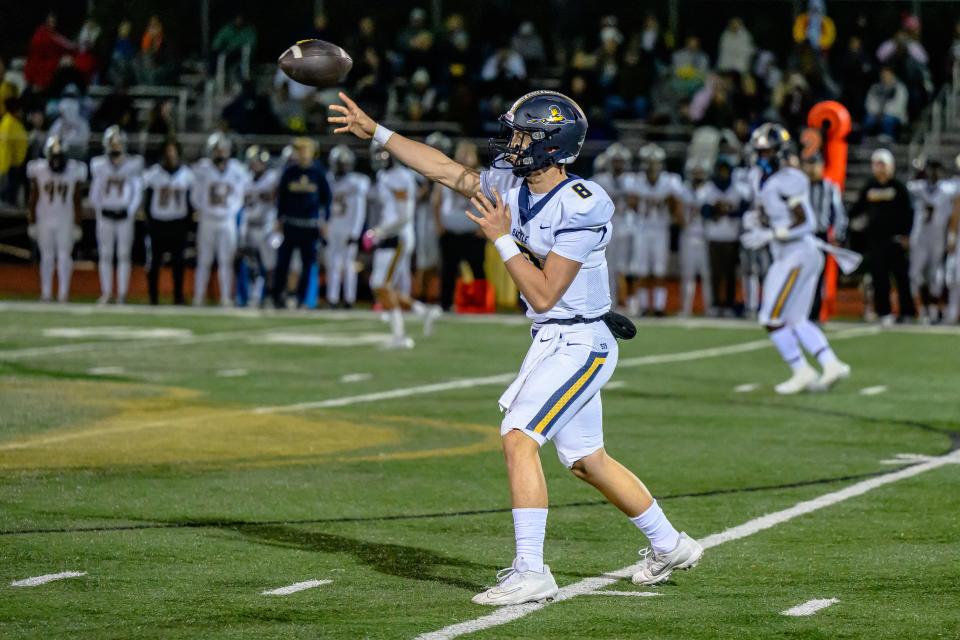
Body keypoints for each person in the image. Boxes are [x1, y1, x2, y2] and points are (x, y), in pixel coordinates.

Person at [329, 89, 703, 604]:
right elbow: (444, 171)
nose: (512, 141)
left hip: (579, 341)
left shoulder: (582, 202)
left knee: (518, 435)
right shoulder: (514, 183)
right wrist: (378, 133)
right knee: (586, 460)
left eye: (522, 133)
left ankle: (532, 571)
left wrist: (502, 238)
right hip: (559, 337)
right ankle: (670, 544)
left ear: (551, 144)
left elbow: (545, 293)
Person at [740, 123, 851, 393]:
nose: (760, 157)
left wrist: (772, 234)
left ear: (779, 152)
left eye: (766, 152)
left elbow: (807, 222)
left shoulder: (791, 178)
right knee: (796, 319)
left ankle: (801, 369)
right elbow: (764, 209)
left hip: (797, 253)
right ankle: (831, 363)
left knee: (770, 317)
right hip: (791, 254)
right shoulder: (757, 177)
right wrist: (757, 220)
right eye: (759, 151)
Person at [366, 140, 442, 347]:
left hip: (398, 236)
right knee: (381, 284)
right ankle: (423, 312)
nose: (378, 158)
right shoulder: (384, 176)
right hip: (388, 235)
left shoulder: (401, 177)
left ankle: (400, 336)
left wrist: (378, 231)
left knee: (381, 284)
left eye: (382, 154)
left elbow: (404, 215)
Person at [848, 148, 916, 324]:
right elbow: (856, 209)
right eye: (877, 164)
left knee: (901, 277)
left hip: (896, 239)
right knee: (879, 277)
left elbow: (909, 212)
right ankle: (884, 312)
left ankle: (907, 312)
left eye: (883, 164)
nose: (880, 168)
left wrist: (906, 235)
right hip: (876, 240)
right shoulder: (869, 186)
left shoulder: (898, 187)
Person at [624, 144, 682, 316]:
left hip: (660, 230)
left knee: (659, 270)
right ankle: (642, 306)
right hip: (642, 230)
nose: (652, 166)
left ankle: (658, 306)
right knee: (641, 270)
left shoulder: (670, 181)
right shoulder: (635, 180)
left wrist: (665, 201)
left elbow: (676, 207)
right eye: (649, 162)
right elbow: (631, 204)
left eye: (655, 162)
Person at [192, 133, 249, 306]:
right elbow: (195, 195)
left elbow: (241, 196)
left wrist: (231, 212)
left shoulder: (237, 169)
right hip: (208, 219)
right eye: (217, 149)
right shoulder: (203, 168)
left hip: (227, 221)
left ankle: (225, 297)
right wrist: (202, 209)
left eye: (223, 149)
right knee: (204, 260)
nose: (220, 153)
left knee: (226, 261)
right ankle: (199, 296)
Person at [272, 137, 329, 309]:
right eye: (299, 150)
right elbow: (281, 198)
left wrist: (325, 221)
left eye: (305, 150)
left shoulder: (318, 173)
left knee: (307, 265)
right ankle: (277, 297)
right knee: (282, 263)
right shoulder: (289, 172)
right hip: (290, 224)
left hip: (309, 226)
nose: (302, 154)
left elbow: (327, 199)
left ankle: (303, 299)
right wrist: (279, 219)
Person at [26, 136, 85, 302]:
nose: (56, 161)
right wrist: (31, 221)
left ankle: (63, 293)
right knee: (47, 256)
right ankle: (46, 293)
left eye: (59, 156)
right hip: (44, 217)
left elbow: (77, 198)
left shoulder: (74, 170)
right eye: (54, 156)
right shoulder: (39, 169)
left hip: (65, 218)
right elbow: (33, 196)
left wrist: (77, 223)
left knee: (64, 255)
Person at [89, 126, 144, 305]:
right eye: (112, 143)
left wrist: (130, 211)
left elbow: (137, 191)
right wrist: (100, 210)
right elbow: (94, 192)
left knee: (123, 254)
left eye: (118, 143)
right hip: (105, 215)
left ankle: (121, 294)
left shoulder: (133, 164)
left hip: (124, 215)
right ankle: (106, 292)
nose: (115, 147)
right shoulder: (99, 165)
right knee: (105, 254)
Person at [434, 140, 486, 311]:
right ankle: (445, 305)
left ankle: (481, 304)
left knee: (478, 269)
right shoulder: (447, 172)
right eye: (461, 152)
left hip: (473, 232)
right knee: (448, 270)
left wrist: (483, 228)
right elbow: (436, 201)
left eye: (467, 153)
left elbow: (492, 203)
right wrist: (439, 225)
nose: (463, 157)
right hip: (450, 231)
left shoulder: (484, 176)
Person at [143, 139, 193, 305]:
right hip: (158, 223)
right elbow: (148, 201)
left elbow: (190, 202)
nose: (170, 155)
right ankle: (153, 297)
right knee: (154, 263)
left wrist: (188, 224)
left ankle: (178, 296)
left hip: (178, 223)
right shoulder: (154, 174)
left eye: (173, 151)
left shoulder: (186, 174)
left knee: (178, 263)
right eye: (167, 151)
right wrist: (149, 222)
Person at [906, 159, 955, 323]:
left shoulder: (947, 189)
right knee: (916, 274)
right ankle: (924, 309)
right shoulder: (918, 188)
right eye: (930, 170)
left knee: (937, 276)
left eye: (936, 170)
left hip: (938, 237)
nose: (933, 174)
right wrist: (918, 170)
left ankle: (934, 311)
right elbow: (908, 185)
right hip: (919, 237)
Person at [802, 153, 847, 321]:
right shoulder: (799, 187)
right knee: (799, 275)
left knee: (817, 276)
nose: (812, 169)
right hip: (800, 236)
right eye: (809, 164)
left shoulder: (830, 187)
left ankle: (814, 314)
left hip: (820, 235)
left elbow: (839, 213)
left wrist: (837, 234)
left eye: (815, 165)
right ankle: (798, 313)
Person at [590, 143, 635, 307]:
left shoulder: (632, 180)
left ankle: (629, 301)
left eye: (620, 161)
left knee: (627, 266)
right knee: (607, 265)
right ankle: (610, 300)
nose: (618, 164)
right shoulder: (599, 180)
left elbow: (635, 202)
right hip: (606, 226)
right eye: (615, 161)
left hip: (628, 227)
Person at [325, 145, 369, 309]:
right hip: (332, 226)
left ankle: (349, 299)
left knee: (349, 265)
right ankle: (333, 298)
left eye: (342, 164)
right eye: (338, 163)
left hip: (348, 227)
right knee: (332, 264)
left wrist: (356, 232)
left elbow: (360, 209)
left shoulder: (356, 182)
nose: (340, 167)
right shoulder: (327, 179)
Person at [703, 157, 746, 316]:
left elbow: (742, 212)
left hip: (731, 237)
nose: (723, 173)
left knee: (729, 274)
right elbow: (705, 212)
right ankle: (715, 304)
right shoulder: (709, 189)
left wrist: (725, 210)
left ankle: (728, 304)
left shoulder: (738, 189)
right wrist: (718, 210)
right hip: (714, 236)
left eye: (726, 170)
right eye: (721, 170)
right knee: (715, 273)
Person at [238, 146, 280, 307]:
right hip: (250, 227)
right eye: (254, 163)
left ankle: (270, 294)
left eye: (259, 163)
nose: (256, 166)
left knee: (270, 265)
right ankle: (253, 296)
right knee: (252, 265)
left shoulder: (272, 178)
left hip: (267, 227)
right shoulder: (244, 179)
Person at [677, 159, 713, 316]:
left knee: (707, 274)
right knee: (687, 274)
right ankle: (686, 308)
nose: (698, 175)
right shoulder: (683, 190)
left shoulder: (710, 189)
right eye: (695, 172)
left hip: (705, 235)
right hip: (688, 234)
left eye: (700, 172)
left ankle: (709, 308)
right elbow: (678, 212)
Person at [864, 68, 908, 140]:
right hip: (876, 115)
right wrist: (877, 113)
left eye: (887, 75)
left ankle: (888, 140)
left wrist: (884, 113)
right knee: (868, 120)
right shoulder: (875, 88)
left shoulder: (900, 88)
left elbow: (899, 107)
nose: (885, 77)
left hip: (894, 115)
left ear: (892, 75)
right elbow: (869, 104)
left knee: (887, 120)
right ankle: (866, 140)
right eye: (883, 75)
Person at [0, 97, 28, 206]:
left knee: (15, 188)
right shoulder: (8, 123)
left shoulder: (15, 122)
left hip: (18, 162)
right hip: (11, 164)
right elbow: (5, 146)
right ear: (15, 110)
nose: (21, 112)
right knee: (9, 190)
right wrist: (4, 167)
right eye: (20, 110)